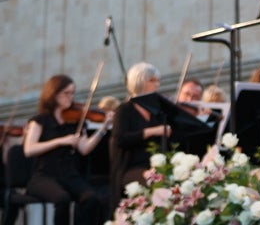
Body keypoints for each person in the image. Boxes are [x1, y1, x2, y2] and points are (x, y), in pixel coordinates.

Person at [23, 74, 111, 225]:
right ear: (53, 94)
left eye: (72, 93)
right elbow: (29, 149)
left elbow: (84, 149)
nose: (70, 97)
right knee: (62, 199)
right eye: (66, 93)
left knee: (92, 198)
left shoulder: (75, 122)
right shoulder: (40, 120)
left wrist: (103, 128)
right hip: (44, 176)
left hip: (69, 175)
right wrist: (60, 141)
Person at [109, 63, 172, 202]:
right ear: (139, 82)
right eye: (152, 81)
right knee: (155, 181)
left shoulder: (157, 112)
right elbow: (121, 139)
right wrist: (152, 131)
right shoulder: (124, 110)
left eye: (158, 81)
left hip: (154, 167)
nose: (157, 85)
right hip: (129, 168)